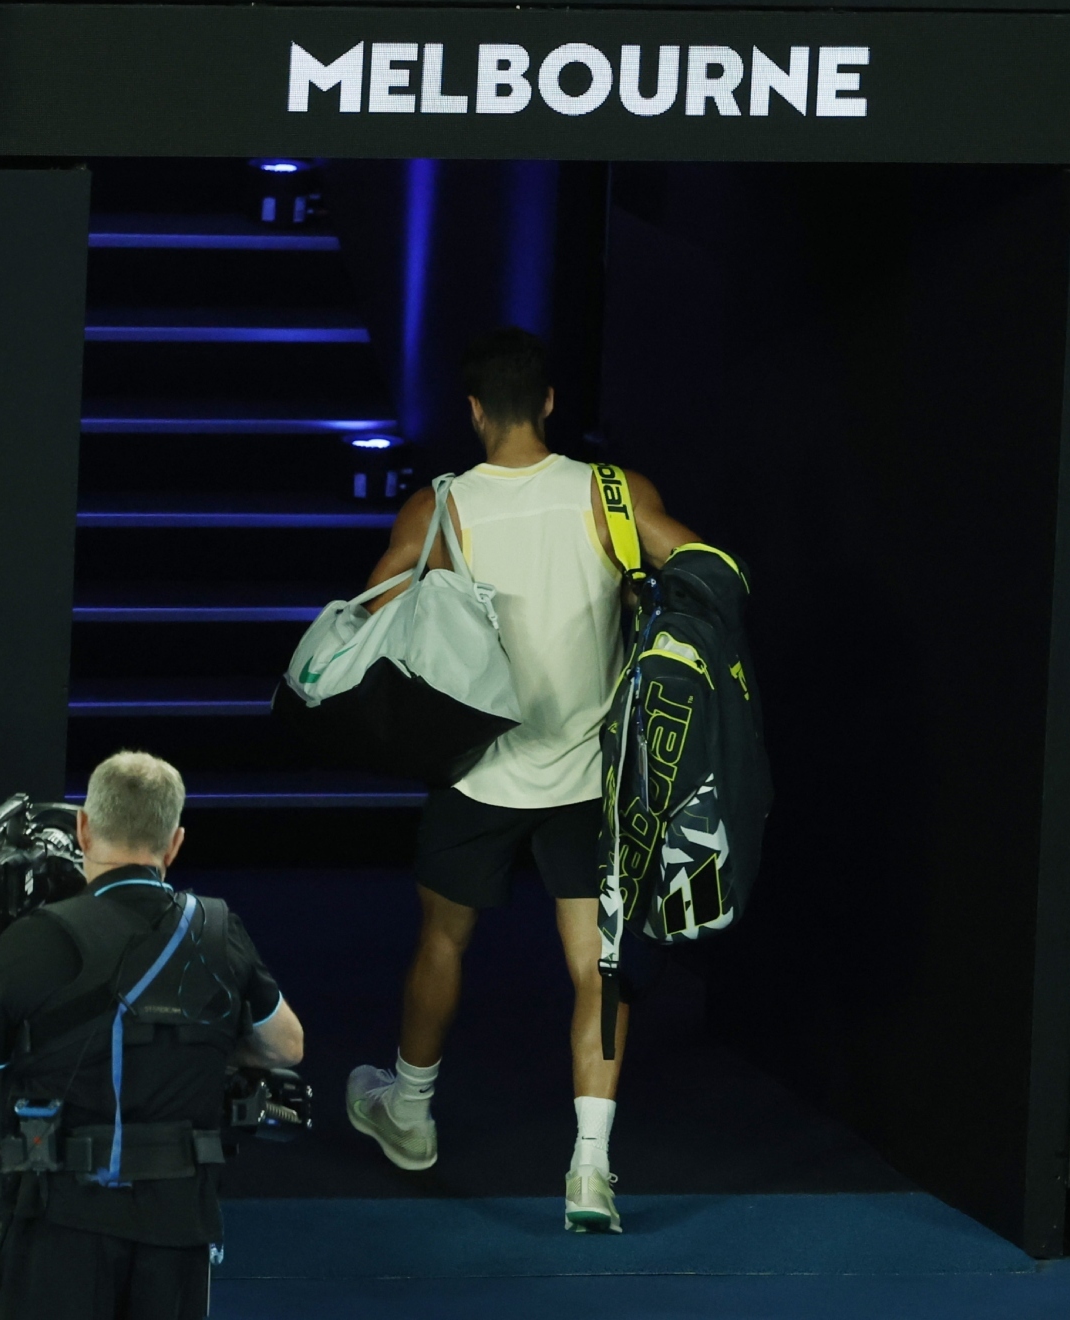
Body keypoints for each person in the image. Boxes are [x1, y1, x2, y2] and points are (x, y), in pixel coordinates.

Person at [345, 327, 699, 1233]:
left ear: (472, 411)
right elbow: (705, 575)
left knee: (442, 944)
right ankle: (590, 1168)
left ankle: (410, 1114)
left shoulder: (443, 507)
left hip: (477, 775)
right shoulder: (610, 493)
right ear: (548, 403)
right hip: (588, 777)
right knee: (598, 968)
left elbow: (376, 614)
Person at [0, 751, 303, 1320]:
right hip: (179, 1224)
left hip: (60, 1224)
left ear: (83, 826)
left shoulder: (31, 942)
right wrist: (206, 1038)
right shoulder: (216, 931)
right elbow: (287, 1046)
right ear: (175, 841)